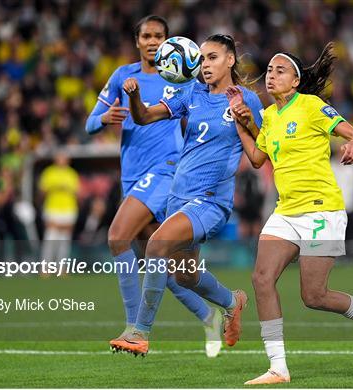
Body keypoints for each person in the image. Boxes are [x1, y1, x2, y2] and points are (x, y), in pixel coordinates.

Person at [229, 43, 353, 385]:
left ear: (295, 82)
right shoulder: (268, 117)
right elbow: (256, 158)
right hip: (286, 210)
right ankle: (278, 368)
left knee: (314, 296)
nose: (272, 76)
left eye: (280, 71)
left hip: (322, 208)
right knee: (261, 278)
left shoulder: (310, 106)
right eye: (269, 71)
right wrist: (242, 124)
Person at [85, 15, 222, 357]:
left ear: (167, 41)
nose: (152, 41)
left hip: (166, 170)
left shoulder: (183, 81)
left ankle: (134, 329)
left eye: (158, 36)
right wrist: (103, 119)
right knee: (167, 266)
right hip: (133, 176)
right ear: (137, 41)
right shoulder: (122, 76)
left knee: (117, 237)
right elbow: (90, 124)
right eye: (146, 35)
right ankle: (214, 311)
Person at [120, 33, 264, 356]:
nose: (205, 64)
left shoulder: (245, 98)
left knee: (155, 244)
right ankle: (232, 302)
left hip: (212, 200)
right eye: (201, 58)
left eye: (212, 57)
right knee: (184, 276)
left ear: (230, 60)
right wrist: (134, 96)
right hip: (179, 198)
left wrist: (248, 121)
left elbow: (259, 157)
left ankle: (138, 333)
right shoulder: (192, 92)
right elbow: (143, 116)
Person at [38, 151, 79, 271]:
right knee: (51, 237)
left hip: (68, 209)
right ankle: (45, 267)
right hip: (52, 209)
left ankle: (62, 268)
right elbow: (42, 192)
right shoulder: (49, 173)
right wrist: (55, 188)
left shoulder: (72, 174)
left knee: (64, 240)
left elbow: (77, 193)